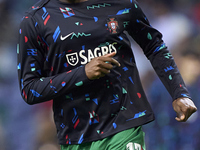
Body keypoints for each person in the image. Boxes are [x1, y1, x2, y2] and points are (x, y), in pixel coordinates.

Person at [17, 0, 197, 149]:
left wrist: (179, 92)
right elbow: (30, 90)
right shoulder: (35, 20)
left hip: (125, 124)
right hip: (76, 136)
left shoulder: (120, 3)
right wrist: (83, 73)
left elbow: (154, 47)